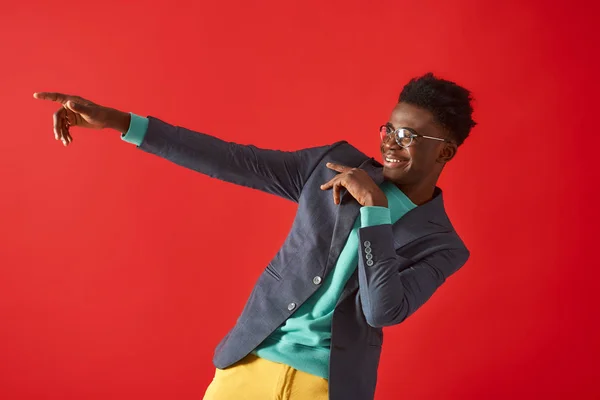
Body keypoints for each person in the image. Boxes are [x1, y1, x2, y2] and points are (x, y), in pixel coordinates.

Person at [34, 72, 476, 400]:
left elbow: (382, 312)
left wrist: (375, 209)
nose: (390, 143)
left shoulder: (442, 245)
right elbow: (229, 159)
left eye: (407, 135)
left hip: (330, 386)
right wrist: (119, 121)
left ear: (444, 150)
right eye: (388, 129)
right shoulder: (330, 164)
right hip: (248, 366)